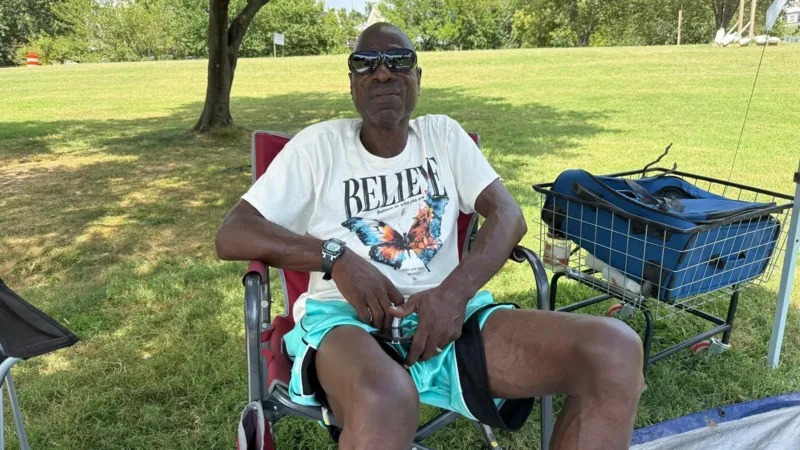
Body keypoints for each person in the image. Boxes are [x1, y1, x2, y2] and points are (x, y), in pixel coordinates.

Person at [216, 22, 644, 450]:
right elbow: (233, 233)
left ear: (418, 77)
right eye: (365, 63)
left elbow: (508, 215)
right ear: (352, 84)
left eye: (399, 60)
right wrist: (336, 257)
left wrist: (454, 294)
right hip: (346, 324)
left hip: (450, 318)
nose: (382, 73)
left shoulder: (443, 136)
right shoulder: (317, 148)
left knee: (614, 350)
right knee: (385, 399)